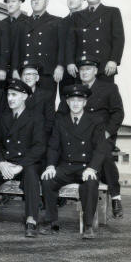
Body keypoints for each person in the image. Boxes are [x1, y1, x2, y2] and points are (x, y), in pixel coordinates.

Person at [0, 79, 45, 237]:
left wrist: (20, 166)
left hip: (26, 163)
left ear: (24, 96)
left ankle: (31, 221)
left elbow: (39, 146)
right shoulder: (3, 117)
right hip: (6, 162)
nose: (10, 98)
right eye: (9, 95)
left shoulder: (36, 117)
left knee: (31, 175)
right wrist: (1, 162)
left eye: (14, 95)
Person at [58, 55, 124, 217]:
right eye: (82, 70)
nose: (85, 72)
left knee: (105, 155)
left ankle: (116, 196)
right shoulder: (72, 90)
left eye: (88, 69)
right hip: (76, 136)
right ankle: (59, 195)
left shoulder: (109, 88)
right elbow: (60, 114)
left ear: (95, 71)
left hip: (102, 134)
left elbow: (118, 113)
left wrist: (107, 132)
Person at [41, 84, 108, 239]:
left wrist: (92, 168)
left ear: (85, 102)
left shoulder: (96, 121)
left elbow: (101, 149)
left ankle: (88, 226)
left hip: (86, 167)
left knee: (90, 184)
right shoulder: (61, 121)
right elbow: (53, 146)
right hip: (66, 166)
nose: (76, 103)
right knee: (48, 180)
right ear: (67, 102)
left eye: (79, 100)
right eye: (72, 100)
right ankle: (51, 221)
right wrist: (50, 165)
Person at [66, 0, 125, 83]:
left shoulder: (112, 12)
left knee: (104, 97)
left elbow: (118, 38)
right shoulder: (76, 16)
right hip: (82, 67)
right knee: (81, 99)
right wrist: (70, 62)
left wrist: (114, 60)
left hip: (104, 66)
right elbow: (71, 42)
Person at [12, 0, 64, 96]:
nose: (36, 2)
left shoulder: (56, 22)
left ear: (47, 2)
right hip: (26, 72)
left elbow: (62, 46)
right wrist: (15, 69)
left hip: (47, 72)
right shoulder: (22, 24)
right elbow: (16, 49)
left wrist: (60, 66)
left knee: (46, 104)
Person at [20, 60, 55, 138]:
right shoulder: (15, 95)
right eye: (25, 74)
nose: (27, 77)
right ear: (21, 78)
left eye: (31, 74)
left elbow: (49, 122)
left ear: (37, 78)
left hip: (40, 137)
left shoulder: (47, 95)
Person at [60, 0, 85, 91]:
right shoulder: (62, 22)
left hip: (84, 67)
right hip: (66, 70)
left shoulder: (88, 19)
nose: (71, 0)